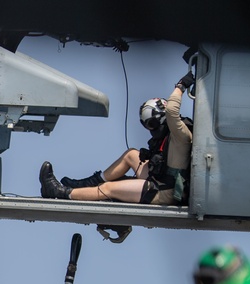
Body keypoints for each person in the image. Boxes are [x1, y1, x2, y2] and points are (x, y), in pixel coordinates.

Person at [40, 69, 195, 205]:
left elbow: (172, 112)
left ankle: (61, 192)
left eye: (152, 124)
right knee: (131, 155)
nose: (151, 129)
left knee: (109, 189)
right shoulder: (169, 136)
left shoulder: (180, 133)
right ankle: (87, 184)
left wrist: (181, 86)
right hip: (162, 179)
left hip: (165, 191)